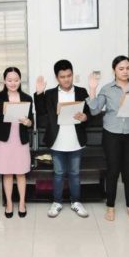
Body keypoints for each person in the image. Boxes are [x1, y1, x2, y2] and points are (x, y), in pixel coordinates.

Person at [87, 55, 129, 221]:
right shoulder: (107, 89)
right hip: (111, 134)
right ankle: (111, 206)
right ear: (114, 70)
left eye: (128, 68)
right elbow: (94, 110)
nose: (125, 71)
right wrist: (92, 89)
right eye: (121, 68)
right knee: (113, 171)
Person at [34, 59, 91, 218]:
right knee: (58, 173)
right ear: (57, 78)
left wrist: (85, 117)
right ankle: (57, 202)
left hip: (76, 140)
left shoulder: (81, 92)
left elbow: (89, 114)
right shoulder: (51, 94)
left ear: (72, 74)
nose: (66, 79)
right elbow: (40, 112)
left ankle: (76, 202)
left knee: (74, 173)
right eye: (62, 76)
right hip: (57, 140)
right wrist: (39, 93)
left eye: (69, 75)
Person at [0, 67, 34, 218]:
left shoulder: (27, 98)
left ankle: (22, 203)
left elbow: (31, 122)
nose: (13, 83)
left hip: (20, 140)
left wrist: (27, 122)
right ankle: (10, 204)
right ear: (4, 81)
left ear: (20, 81)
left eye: (16, 80)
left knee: (20, 173)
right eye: (10, 80)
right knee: (7, 173)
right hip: (4, 141)